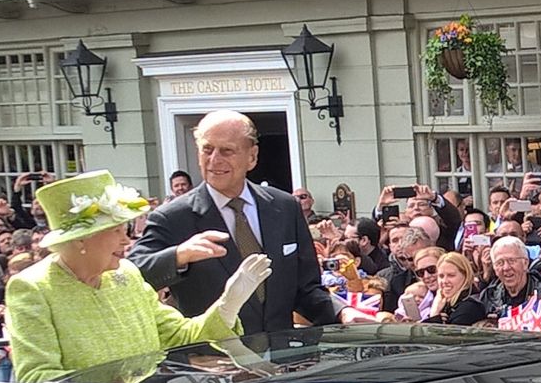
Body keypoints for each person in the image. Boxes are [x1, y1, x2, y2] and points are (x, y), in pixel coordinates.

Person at [5, 171, 269, 383]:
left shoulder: (127, 275)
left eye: (125, 229)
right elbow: (37, 378)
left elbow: (178, 335)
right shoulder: (33, 288)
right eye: (116, 230)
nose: (126, 239)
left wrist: (228, 305)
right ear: (81, 239)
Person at [130, 111, 368, 333]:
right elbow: (131, 272)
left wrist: (342, 311)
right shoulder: (173, 217)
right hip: (215, 366)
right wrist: (179, 256)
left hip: (282, 361)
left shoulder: (284, 207)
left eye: (227, 151)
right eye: (207, 149)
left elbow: (305, 289)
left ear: (252, 157)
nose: (214, 160)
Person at [424, 252, 485, 326]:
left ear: (465, 276)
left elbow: (446, 336)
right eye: (441, 276)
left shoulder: (470, 308)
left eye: (451, 275)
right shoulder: (445, 305)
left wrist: (434, 316)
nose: (444, 281)